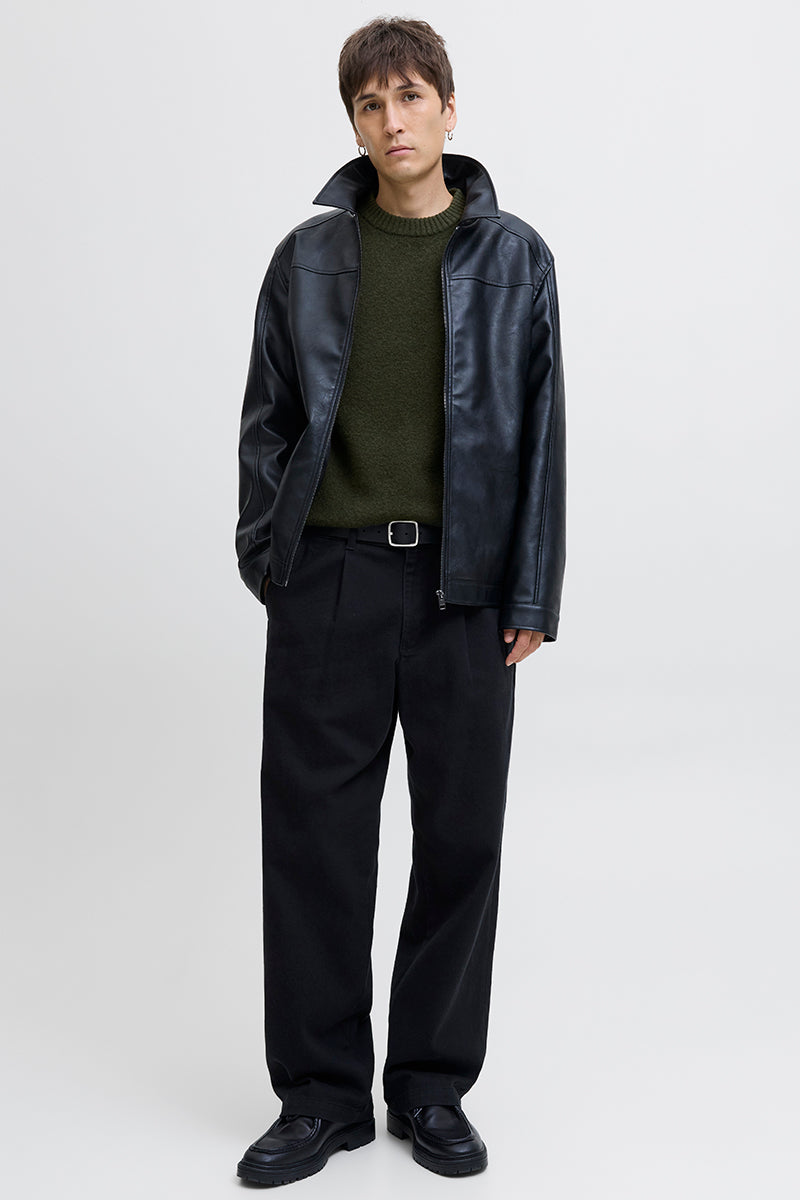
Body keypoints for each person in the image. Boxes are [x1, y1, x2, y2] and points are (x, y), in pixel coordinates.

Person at [234, 14, 566, 1186]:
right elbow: (266, 424)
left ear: (447, 108)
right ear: (354, 124)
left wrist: (530, 588)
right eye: (370, 105)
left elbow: (540, 434)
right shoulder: (306, 259)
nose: (392, 120)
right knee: (314, 841)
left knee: (460, 836)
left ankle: (429, 1088)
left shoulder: (514, 259)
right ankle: (319, 1097)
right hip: (327, 578)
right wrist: (269, 558)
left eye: (410, 96)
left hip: (463, 587)